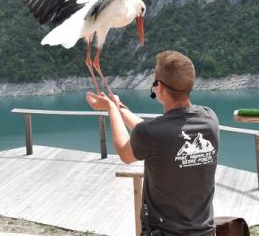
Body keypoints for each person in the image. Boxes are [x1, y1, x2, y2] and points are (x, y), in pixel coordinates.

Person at [86, 50, 219, 236]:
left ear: (160, 87)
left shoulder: (153, 133)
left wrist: (110, 108)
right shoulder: (210, 119)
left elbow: (126, 153)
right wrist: (120, 108)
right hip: (205, 232)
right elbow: (155, 133)